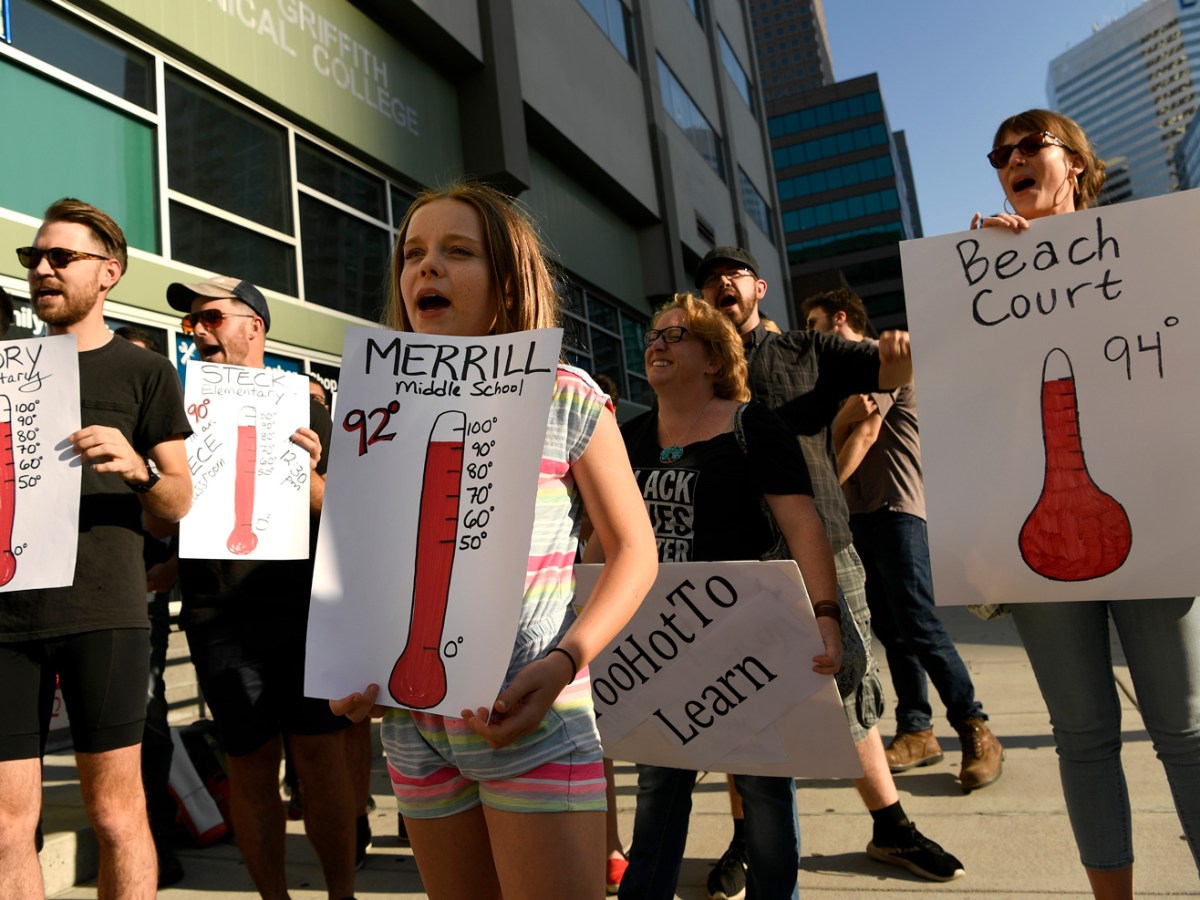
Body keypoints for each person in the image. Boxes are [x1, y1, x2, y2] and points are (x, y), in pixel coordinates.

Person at [330, 181, 658, 899]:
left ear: (508, 282)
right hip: (414, 730)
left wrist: (569, 658)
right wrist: (355, 665)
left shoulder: (566, 395)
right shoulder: (375, 415)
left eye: (457, 252)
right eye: (413, 254)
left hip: (533, 715)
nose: (427, 269)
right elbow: (370, 563)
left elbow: (637, 550)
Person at [973, 108, 1200, 899]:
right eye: (1000, 155)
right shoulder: (979, 275)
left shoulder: (1145, 251)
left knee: (1185, 730)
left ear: (1076, 163)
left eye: (1030, 146)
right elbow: (969, 409)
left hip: (1156, 520)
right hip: (1039, 542)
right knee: (1082, 738)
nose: (1011, 162)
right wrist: (978, 287)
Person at [696, 246, 965, 890]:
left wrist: (898, 356)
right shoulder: (698, 366)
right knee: (744, 702)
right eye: (709, 281)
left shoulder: (806, 350)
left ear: (759, 287)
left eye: (733, 275)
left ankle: (891, 827)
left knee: (850, 689)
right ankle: (748, 838)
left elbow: (887, 365)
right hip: (732, 561)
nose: (720, 285)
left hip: (823, 545)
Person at [589, 293, 842, 900]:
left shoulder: (752, 425)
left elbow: (805, 526)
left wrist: (826, 616)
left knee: (762, 789)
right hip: (657, 646)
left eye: (677, 336)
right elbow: (602, 539)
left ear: (714, 359)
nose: (657, 344)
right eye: (653, 335)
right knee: (659, 784)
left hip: (744, 641)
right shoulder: (628, 438)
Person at [0, 198, 192, 898]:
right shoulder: (6, 370)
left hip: (103, 613)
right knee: (5, 827)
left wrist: (137, 468)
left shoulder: (144, 373)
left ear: (108, 272)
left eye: (61, 257)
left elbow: (176, 505)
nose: (42, 270)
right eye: (33, 258)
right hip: (7, 619)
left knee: (116, 814)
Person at [167, 275, 359, 900]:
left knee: (320, 764)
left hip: (304, 611)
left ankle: (341, 895)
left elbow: (354, 517)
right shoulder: (178, 408)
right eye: (192, 321)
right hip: (218, 610)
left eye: (211, 317)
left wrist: (313, 487)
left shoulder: (306, 408)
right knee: (250, 767)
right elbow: (165, 506)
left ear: (254, 325)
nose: (198, 330)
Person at [804, 287, 1003, 791]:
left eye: (814, 322)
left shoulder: (879, 358)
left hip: (898, 510)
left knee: (918, 620)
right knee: (891, 629)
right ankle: (918, 729)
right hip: (862, 516)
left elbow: (862, 431)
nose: (809, 333)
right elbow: (839, 424)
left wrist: (823, 495)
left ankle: (974, 725)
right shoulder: (841, 378)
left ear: (840, 320)